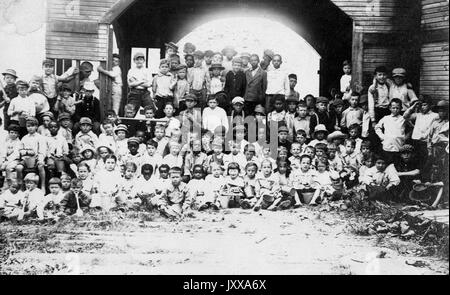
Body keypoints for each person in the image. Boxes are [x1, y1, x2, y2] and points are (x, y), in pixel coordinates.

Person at [403, 95, 439, 169]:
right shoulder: (418, 115)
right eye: (421, 105)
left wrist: (425, 136)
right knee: (415, 160)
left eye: (424, 105)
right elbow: (405, 116)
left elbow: (434, 128)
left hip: (425, 142)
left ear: (430, 105)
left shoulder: (435, 115)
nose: (422, 107)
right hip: (415, 141)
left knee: (425, 162)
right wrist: (413, 106)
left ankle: (423, 178)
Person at [17, 117, 47, 191]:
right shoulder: (24, 138)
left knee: (40, 166)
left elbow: (42, 151)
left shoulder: (40, 138)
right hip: (25, 159)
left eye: (32, 126)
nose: (30, 128)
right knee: (19, 168)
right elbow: (20, 149)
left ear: (36, 126)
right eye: (28, 126)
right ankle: (21, 186)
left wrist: (40, 159)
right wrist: (24, 153)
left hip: (36, 158)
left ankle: (43, 185)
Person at [375, 98, 406, 165]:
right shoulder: (386, 118)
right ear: (390, 108)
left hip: (398, 146)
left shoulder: (403, 119)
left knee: (397, 165)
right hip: (387, 146)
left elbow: (412, 127)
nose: (395, 110)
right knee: (387, 164)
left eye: (397, 108)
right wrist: (382, 136)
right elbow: (377, 127)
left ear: (401, 108)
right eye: (393, 108)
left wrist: (405, 137)